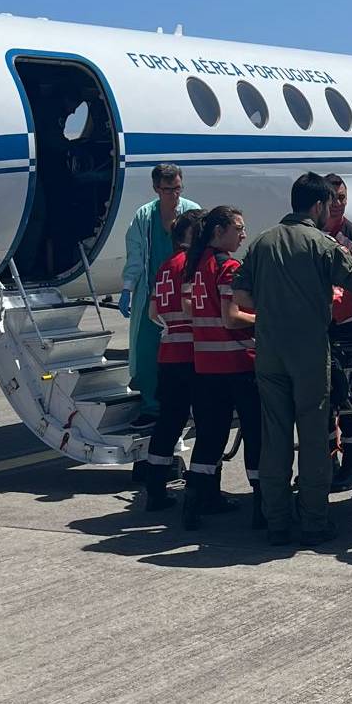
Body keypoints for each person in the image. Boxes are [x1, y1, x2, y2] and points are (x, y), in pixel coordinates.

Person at [235, 172, 352, 546]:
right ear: (318, 206)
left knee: (274, 436)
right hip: (309, 351)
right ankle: (313, 520)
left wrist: (274, 305)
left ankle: (277, 521)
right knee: (313, 437)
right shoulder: (322, 244)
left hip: (269, 350)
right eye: (329, 204)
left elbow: (242, 299)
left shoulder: (261, 242)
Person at [181, 206, 261, 529]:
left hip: (206, 365)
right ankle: (262, 505)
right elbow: (231, 317)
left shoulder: (197, 266)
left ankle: (195, 501)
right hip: (236, 364)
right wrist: (266, 320)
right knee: (256, 434)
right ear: (218, 232)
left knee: (210, 438)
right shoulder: (228, 267)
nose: (243, 234)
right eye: (237, 228)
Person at [119, 163, 198, 429]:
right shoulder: (144, 216)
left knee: (186, 351)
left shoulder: (191, 212)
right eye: (168, 190)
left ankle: (185, 404)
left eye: (177, 188)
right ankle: (152, 406)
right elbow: (136, 253)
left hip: (184, 292)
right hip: (153, 293)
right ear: (156, 189)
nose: (174, 195)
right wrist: (128, 288)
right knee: (146, 352)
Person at [141, 208, 207, 512]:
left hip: (167, 352)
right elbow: (190, 303)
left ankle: (154, 486)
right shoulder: (191, 264)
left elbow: (154, 313)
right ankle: (202, 489)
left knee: (169, 421)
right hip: (193, 353)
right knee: (207, 421)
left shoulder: (165, 266)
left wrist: (172, 326)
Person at [319, 173, 352, 491]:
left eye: (342, 198)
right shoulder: (313, 233)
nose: (338, 204)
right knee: (322, 402)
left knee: (348, 397)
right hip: (320, 328)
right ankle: (326, 464)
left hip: (346, 328)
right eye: (332, 198)